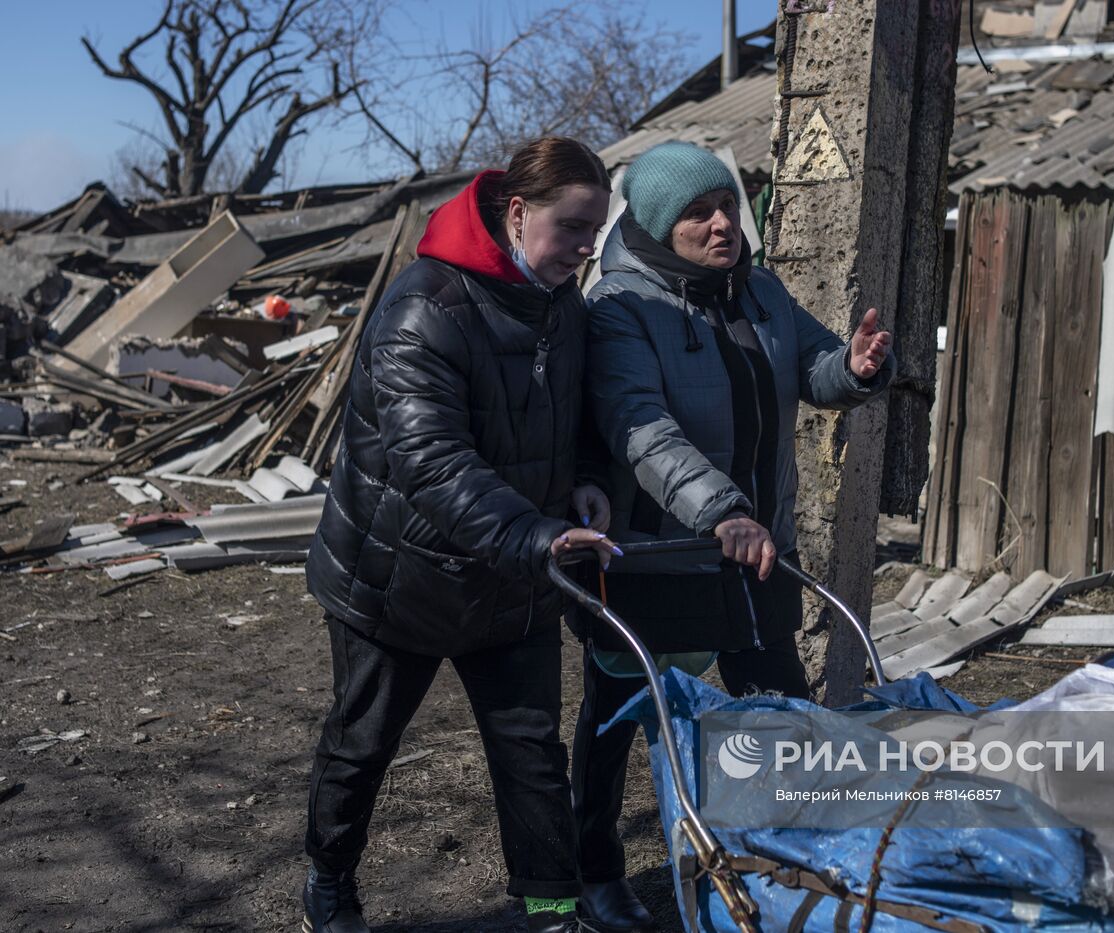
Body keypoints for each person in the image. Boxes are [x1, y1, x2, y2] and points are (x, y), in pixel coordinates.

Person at [572, 141, 894, 931]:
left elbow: (813, 367)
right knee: (619, 719)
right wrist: (721, 510)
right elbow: (638, 428)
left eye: (727, 205)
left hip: (756, 549)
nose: (722, 223)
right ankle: (589, 870)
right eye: (697, 213)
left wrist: (853, 367)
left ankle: (790, 865)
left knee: (779, 710)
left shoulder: (758, 290)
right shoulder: (620, 306)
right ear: (654, 222)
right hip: (664, 555)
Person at [301, 136, 618, 933]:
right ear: (517, 212)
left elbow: (579, 413)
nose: (586, 249)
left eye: (596, 231)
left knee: (531, 755)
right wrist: (538, 535)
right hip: (397, 573)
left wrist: (587, 476)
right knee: (363, 742)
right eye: (572, 228)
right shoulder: (425, 306)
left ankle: (548, 907)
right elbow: (432, 462)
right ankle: (328, 884)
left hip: (512, 570)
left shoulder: (562, 302)